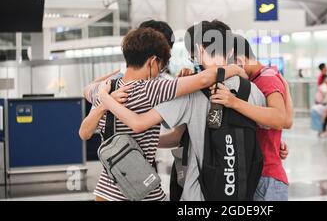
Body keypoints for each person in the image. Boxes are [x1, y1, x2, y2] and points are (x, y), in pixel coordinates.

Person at [95, 20, 267, 201]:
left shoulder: (189, 93)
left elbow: (140, 124)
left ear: (198, 51)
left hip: (197, 194)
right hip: (242, 193)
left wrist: (105, 99)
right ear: (231, 52)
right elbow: (269, 130)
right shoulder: (253, 91)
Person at [210, 34, 293, 201]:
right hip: (260, 174)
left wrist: (233, 102)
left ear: (239, 60)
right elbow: (286, 121)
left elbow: (279, 119)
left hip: (266, 178)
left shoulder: (266, 78)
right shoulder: (261, 78)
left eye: (230, 65)